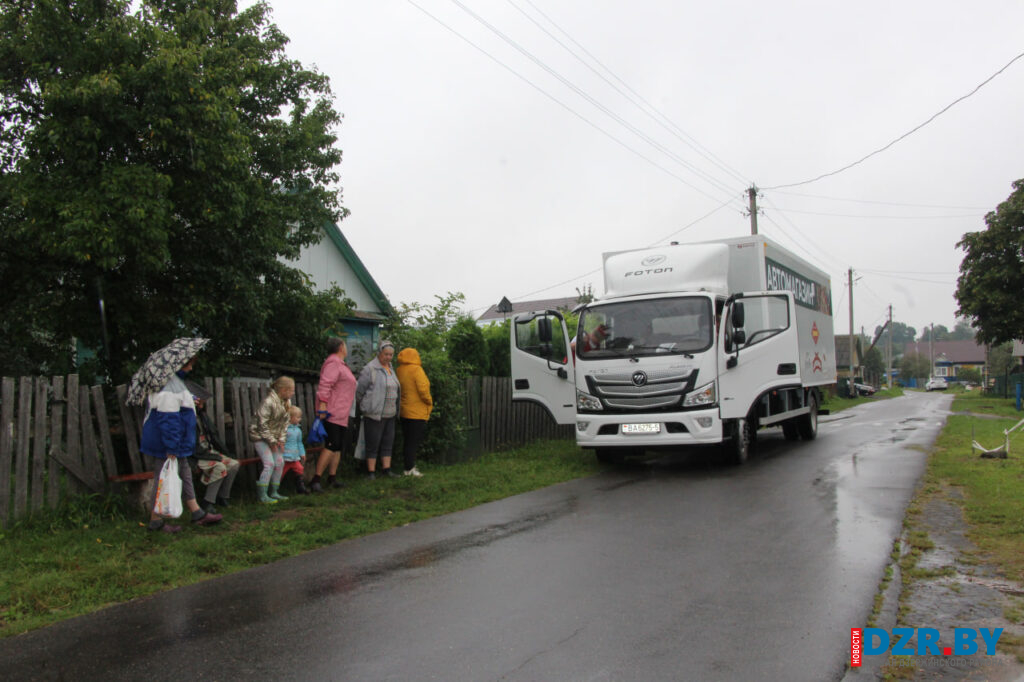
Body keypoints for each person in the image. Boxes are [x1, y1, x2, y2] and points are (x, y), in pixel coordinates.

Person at [140, 356, 223, 532]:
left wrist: (193, 403)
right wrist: (171, 446)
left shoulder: (175, 382)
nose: (191, 368)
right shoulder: (168, 386)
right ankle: (155, 520)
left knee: (185, 473)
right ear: (175, 365)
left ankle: (196, 512)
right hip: (168, 443)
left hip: (178, 442)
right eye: (187, 364)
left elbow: (179, 409)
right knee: (162, 478)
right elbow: (168, 420)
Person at [312, 337, 357, 492]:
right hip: (332, 411)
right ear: (340, 347)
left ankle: (332, 477)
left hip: (342, 412)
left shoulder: (341, 364)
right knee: (331, 444)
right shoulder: (333, 363)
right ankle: (316, 479)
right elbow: (325, 384)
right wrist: (323, 406)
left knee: (338, 446)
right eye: (344, 344)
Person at [356, 340, 401, 479]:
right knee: (373, 443)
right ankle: (371, 472)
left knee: (388, 442)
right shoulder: (370, 369)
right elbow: (359, 391)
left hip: (390, 413)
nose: (388, 357)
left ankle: (386, 469)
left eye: (391, 355)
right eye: (386, 354)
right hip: (374, 413)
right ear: (379, 353)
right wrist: (365, 406)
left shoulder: (391, 369)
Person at [249, 375, 294, 503]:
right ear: (283, 390)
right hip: (259, 437)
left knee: (279, 462)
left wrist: (281, 440)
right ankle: (262, 495)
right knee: (269, 464)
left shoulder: (286, 402)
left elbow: (285, 423)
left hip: (273, 438)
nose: (293, 393)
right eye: (291, 390)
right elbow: (261, 424)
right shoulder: (268, 402)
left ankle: (274, 492)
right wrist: (272, 441)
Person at [192, 393, 240, 514]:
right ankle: (207, 501)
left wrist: (224, 453)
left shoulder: (201, 416)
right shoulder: (186, 418)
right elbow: (192, 446)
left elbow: (213, 436)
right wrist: (213, 456)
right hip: (195, 456)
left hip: (208, 451)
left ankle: (223, 496)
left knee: (234, 464)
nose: (202, 405)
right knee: (219, 467)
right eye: (199, 402)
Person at [396, 347, 432, 477]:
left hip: (404, 410)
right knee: (413, 441)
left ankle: (408, 466)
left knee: (407, 440)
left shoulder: (399, 370)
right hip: (416, 411)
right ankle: (409, 468)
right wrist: (429, 401)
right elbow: (423, 389)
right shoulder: (417, 370)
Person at [281, 405, 307, 495]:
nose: (300, 419)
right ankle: (274, 489)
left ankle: (300, 487)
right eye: (298, 417)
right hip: (285, 457)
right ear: (291, 417)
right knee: (280, 473)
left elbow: (299, 443)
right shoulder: (284, 429)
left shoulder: (298, 430)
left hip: (295, 457)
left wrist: (302, 453)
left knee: (300, 469)